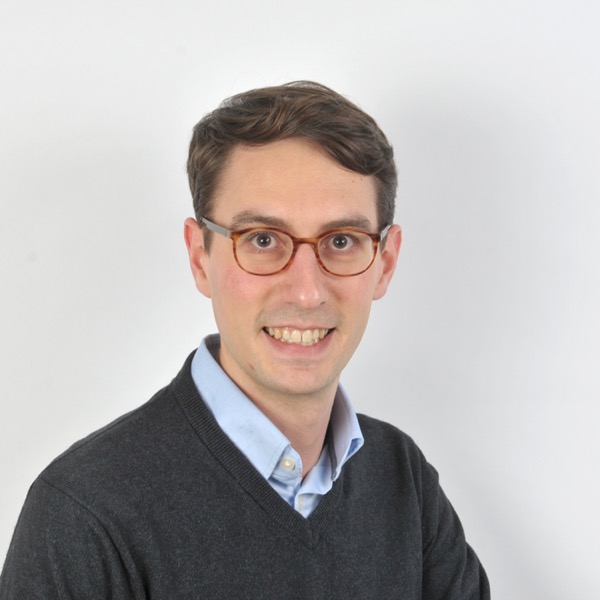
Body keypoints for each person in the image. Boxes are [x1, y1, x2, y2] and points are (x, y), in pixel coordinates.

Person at [0, 81, 490, 599]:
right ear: (199, 257)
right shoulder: (85, 514)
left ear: (384, 263)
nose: (307, 292)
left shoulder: (402, 482)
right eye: (262, 239)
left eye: (342, 241)